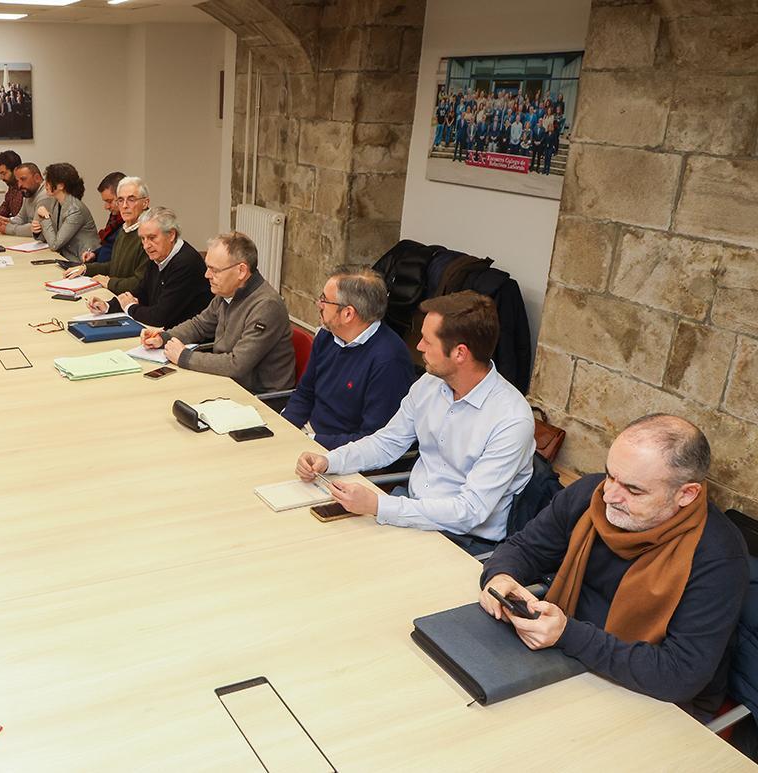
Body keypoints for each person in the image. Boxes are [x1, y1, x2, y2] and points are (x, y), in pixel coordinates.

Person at [479, 415, 748, 721]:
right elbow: (523, 548)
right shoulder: (590, 495)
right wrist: (500, 577)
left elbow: (680, 675)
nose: (609, 495)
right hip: (563, 657)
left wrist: (567, 634)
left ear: (685, 494)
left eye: (634, 490)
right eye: (610, 475)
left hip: (652, 698)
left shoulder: (718, 557)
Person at [294, 290, 535, 553]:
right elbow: (387, 442)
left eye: (427, 342)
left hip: (464, 542)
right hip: (409, 509)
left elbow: (469, 511)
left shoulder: (511, 419)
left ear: (460, 353)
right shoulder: (430, 384)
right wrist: (330, 461)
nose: (418, 347)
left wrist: (378, 506)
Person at [141, 230, 295, 394]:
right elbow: (199, 326)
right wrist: (163, 338)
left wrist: (184, 357)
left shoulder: (266, 306)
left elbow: (237, 365)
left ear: (241, 271)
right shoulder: (227, 293)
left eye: (214, 270)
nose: (207, 275)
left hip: (256, 396)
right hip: (227, 383)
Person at [280, 267, 415, 450]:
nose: (319, 304)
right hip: (308, 435)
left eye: (324, 300)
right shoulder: (327, 335)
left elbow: (373, 440)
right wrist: (283, 432)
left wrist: (310, 441)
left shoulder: (389, 361)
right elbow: (305, 393)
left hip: (342, 454)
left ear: (348, 314)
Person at [87, 206, 210, 328]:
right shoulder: (158, 254)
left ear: (171, 235)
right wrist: (108, 306)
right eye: (142, 239)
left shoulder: (185, 263)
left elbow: (160, 317)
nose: (146, 246)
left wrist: (130, 307)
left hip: (185, 340)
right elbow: (141, 292)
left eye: (152, 238)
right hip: (160, 332)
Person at [65, 176, 150, 294]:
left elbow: (141, 283)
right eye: (120, 200)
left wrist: (109, 282)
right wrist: (85, 268)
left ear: (145, 203)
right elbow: (115, 266)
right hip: (117, 295)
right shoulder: (125, 229)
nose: (124, 206)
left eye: (131, 199)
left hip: (134, 304)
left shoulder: (149, 234)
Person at [34, 162, 100, 262]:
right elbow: (53, 236)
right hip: (66, 257)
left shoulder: (75, 209)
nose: (45, 184)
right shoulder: (56, 203)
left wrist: (45, 218)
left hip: (82, 261)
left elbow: (55, 245)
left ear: (60, 186)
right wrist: (37, 231)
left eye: (48, 181)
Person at [0, 161, 52, 238]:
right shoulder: (29, 192)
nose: (19, 185)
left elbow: (36, 228)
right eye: (18, 181)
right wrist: (8, 221)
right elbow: (21, 218)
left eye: (23, 179)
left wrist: (8, 229)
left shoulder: (45, 195)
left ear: (37, 178)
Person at [83, 171, 125, 264]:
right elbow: (109, 246)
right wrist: (94, 254)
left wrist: (87, 269)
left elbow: (118, 262)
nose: (106, 207)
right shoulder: (115, 218)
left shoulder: (129, 223)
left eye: (109, 201)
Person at [0, 149, 23, 223]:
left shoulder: (26, 189)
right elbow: (6, 206)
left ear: (15, 170)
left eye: (3, 173)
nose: (1, 178)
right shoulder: (12, 187)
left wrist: (3, 219)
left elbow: (22, 219)